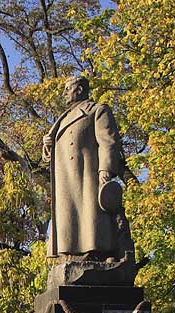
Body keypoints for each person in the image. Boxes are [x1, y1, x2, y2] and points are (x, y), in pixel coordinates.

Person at [42, 76, 133, 263]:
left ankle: (95, 252)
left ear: (80, 90)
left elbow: (109, 143)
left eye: (68, 88)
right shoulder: (63, 119)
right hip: (66, 179)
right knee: (69, 218)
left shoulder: (97, 111)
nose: (65, 93)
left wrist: (105, 171)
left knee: (91, 217)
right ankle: (69, 254)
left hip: (87, 176)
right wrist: (47, 147)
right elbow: (55, 155)